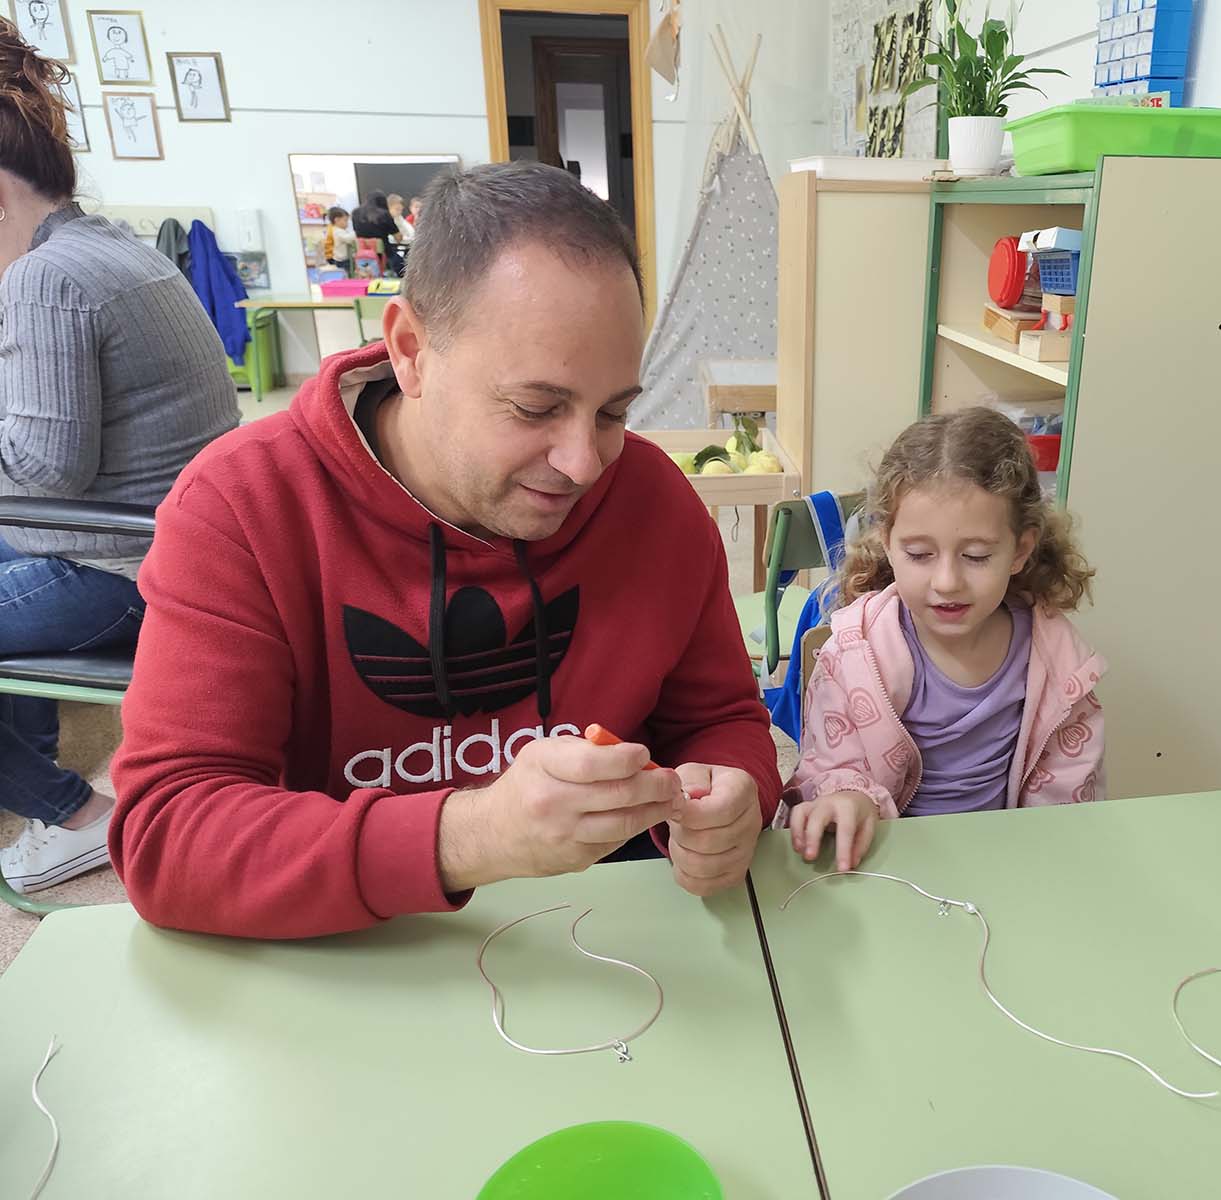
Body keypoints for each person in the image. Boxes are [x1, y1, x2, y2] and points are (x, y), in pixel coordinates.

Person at [110, 161, 778, 939]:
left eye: (612, 412)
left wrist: (734, 797)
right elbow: (166, 838)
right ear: (411, 351)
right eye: (536, 407)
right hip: (349, 962)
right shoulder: (242, 508)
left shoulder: (653, 501)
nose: (583, 463)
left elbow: (723, 720)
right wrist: (472, 835)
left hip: (611, 953)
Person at [0, 24, 239, 893]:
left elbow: (43, 474)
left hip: (123, 562)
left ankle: (72, 814)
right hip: (164, 544)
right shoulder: (114, 246)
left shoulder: (43, 277)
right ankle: (47, 806)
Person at [779, 408, 1107, 872]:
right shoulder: (856, 652)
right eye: (919, 554)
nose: (947, 581)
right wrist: (847, 798)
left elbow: (1067, 798)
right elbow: (829, 769)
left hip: (1010, 867)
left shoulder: (1058, 661)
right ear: (887, 541)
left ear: (1021, 551)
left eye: (976, 556)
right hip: (885, 866)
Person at [322, 205, 356, 274]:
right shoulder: (337, 231)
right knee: (349, 273)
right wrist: (357, 232)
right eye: (345, 220)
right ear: (337, 220)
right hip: (342, 260)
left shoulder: (339, 230)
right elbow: (348, 238)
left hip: (342, 258)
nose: (347, 224)